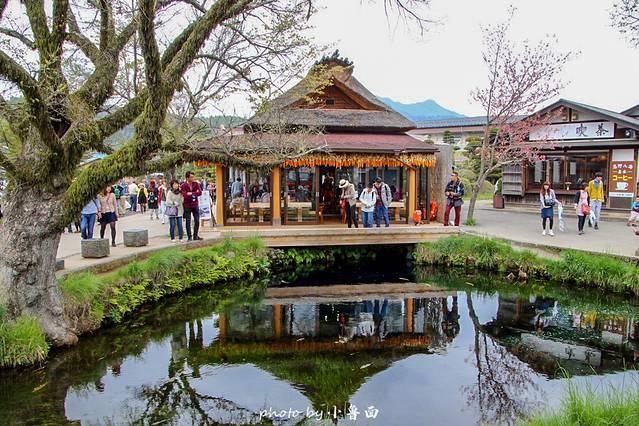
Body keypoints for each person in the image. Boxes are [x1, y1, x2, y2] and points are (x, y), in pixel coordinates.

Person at [181, 171, 203, 241]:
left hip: (195, 204)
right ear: (187, 178)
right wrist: (195, 193)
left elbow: (200, 193)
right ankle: (189, 236)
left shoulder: (196, 184)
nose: (193, 178)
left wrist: (191, 193)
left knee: (197, 221)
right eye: (191, 177)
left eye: (193, 177)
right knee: (188, 221)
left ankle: (195, 235)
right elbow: (185, 195)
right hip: (187, 205)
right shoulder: (183, 185)